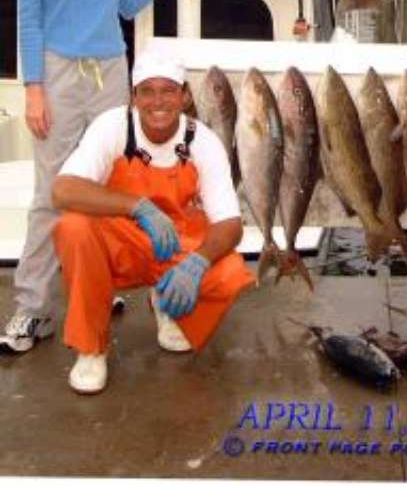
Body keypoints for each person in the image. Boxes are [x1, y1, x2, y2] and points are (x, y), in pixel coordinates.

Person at [1, 0, 179, 354]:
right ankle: (32, 309)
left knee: (107, 185)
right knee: (53, 191)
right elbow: (29, 19)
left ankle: (99, 279)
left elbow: (126, 7)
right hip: (59, 75)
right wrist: (33, 87)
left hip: (110, 73)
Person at [49, 50, 255, 394]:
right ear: (133, 97)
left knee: (230, 271)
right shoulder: (112, 127)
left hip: (173, 247)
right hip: (120, 244)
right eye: (147, 91)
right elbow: (62, 190)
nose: (157, 101)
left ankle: (167, 304)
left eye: (168, 90)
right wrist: (137, 206)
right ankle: (90, 347)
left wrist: (198, 263)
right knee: (73, 227)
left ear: (185, 95)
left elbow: (230, 224)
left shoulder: (203, 141)